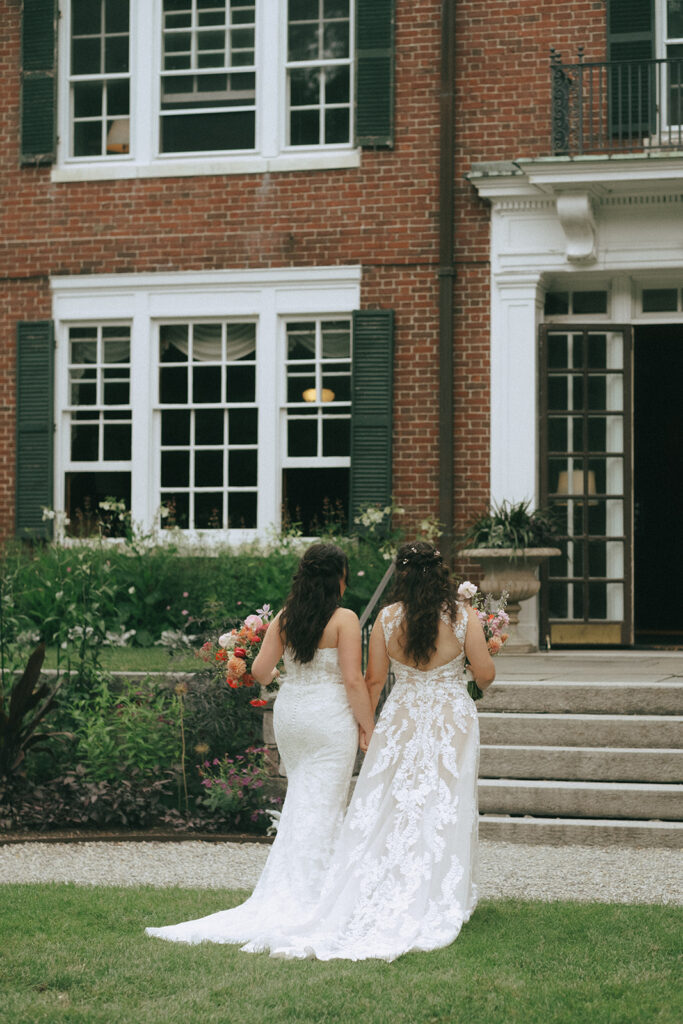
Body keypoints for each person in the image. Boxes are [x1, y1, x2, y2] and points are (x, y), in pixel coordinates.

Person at [250, 539, 495, 962]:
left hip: (401, 716)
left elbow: (374, 680)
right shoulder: (463, 617)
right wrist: (469, 668)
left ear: (400, 576)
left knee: (395, 803)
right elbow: (487, 675)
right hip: (451, 717)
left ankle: (381, 880)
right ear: (441, 575)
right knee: (445, 801)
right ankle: (438, 889)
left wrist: (371, 728)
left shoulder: (385, 619)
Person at [145, 542, 375, 945]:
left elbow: (261, 672)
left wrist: (293, 674)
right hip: (328, 718)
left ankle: (300, 885)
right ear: (338, 578)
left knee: (303, 798)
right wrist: (368, 726)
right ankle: (315, 894)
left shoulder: (286, 617)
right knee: (322, 802)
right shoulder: (345, 619)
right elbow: (353, 681)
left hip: (293, 716)